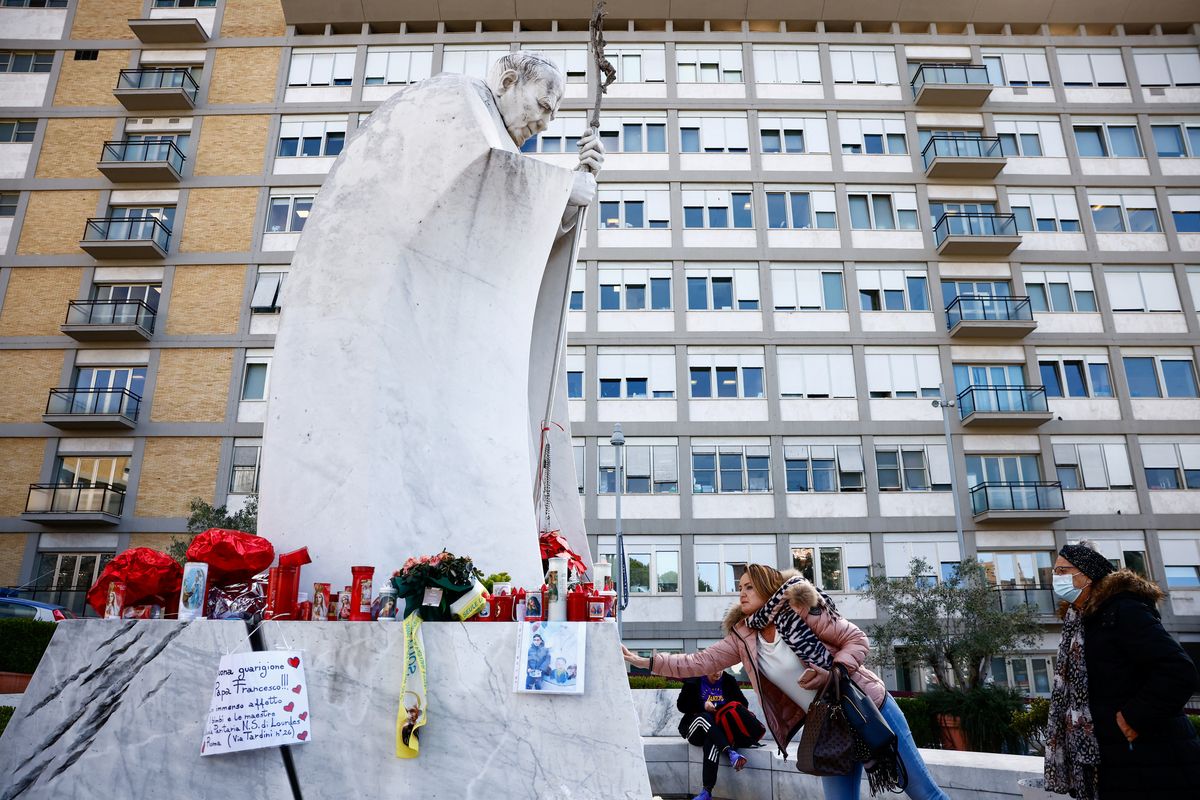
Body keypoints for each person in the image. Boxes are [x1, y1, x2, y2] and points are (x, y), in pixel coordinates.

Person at [623, 564, 950, 800]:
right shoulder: (743, 637)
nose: (742, 593)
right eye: (739, 587)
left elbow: (858, 641)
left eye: (749, 586)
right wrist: (643, 661)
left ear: (767, 587)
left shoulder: (800, 610)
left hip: (867, 709)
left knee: (923, 793)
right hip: (829, 728)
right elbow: (696, 662)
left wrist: (832, 672)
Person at [1044, 541, 1200, 799]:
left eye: (1063, 571)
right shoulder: (1081, 622)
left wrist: (1131, 718)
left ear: (1087, 574)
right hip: (1117, 760)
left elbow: (1179, 671)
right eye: (1055, 572)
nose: (1055, 578)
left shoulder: (1124, 611)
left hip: (1152, 759)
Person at [676, 669, 759, 800]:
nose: (718, 673)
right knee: (703, 717)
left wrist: (722, 707)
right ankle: (730, 752)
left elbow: (743, 704)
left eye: (721, 668)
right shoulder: (694, 680)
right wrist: (703, 705)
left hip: (717, 731)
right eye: (714, 669)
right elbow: (681, 706)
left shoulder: (728, 680)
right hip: (696, 729)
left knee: (712, 741)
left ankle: (707, 791)